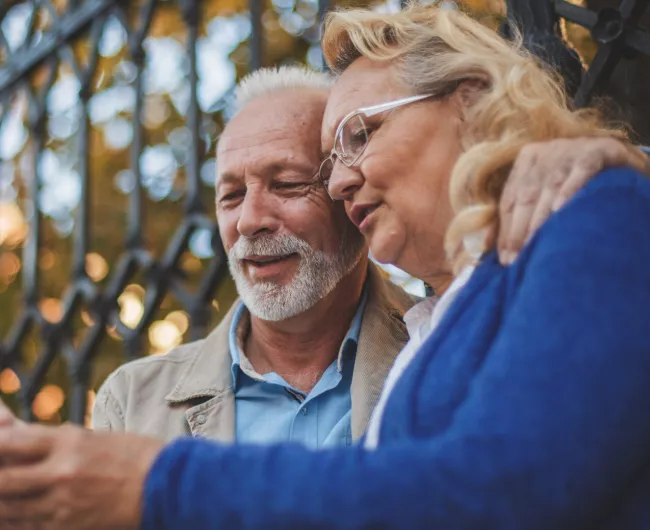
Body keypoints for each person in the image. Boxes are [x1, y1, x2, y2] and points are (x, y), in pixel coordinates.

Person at [1, 6, 650, 530]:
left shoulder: (585, 212)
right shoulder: (439, 321)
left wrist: (155, 483)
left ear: (469, 102)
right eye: (228, 195)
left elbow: (500, 488)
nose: (341, 179)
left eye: (357, 137)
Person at [91, 67, 416, 446]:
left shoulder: (446, 345)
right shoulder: (131, 404)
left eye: (287, 185)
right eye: (231, 196)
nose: (249, 221)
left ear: (349, 192)